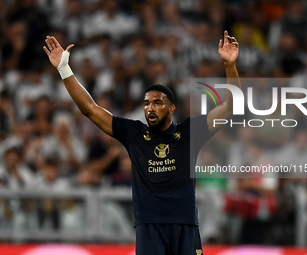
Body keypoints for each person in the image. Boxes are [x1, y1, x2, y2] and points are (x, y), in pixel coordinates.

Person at [43, 30, 240, 255]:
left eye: (157, 103)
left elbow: (229, 109)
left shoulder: (189, 132)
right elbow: (90, 109)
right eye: (146, 104)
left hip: (185, 224)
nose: (150, 108)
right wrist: (64, 69)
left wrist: (230, 66)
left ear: (171, 108)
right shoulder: (134, 133)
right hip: (149, 227)